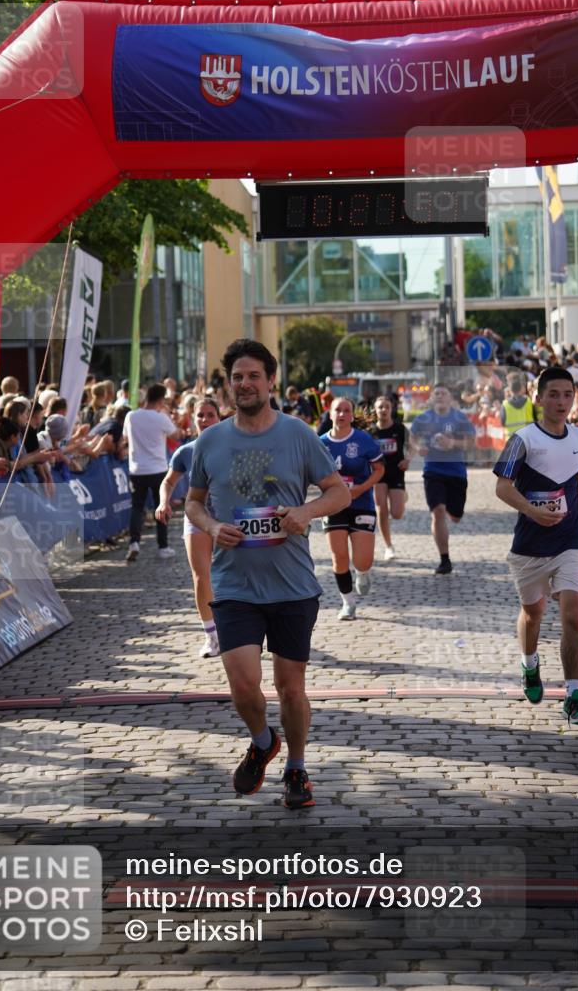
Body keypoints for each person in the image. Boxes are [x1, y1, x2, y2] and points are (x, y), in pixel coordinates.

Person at [185, 339, 349, 810]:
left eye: (254, 375)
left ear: (270, 381)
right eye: (237, 376)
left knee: (290, 688)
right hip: (235, 583)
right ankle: (262, 741)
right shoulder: (210, 441)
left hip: (292, 585)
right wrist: (213, 525)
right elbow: (194, 502)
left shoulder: (298, 434)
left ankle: (296, 768)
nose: (245, 384)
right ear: (229, 383)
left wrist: (307, 512)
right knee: (241, 681)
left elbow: (339, 493)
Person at [494, 366, 578, 727]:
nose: (561, 401)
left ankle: (574, 696)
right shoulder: (523, 440)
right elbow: (503, 487)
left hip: (570, 539)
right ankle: (529, 663)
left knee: (573, 613)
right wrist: (532, 511)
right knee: (533, 613)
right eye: (553, 394)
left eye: (567, 395)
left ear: (575, 398)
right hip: (530, 545)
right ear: (538, 398)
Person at [156, 397, 222, 657]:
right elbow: (168, 482)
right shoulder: (185, 451)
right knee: (201, 576)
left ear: (220, 418)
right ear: (193, 420)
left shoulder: (233, 447)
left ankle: (240, 630)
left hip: (228, 517)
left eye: (210, 415)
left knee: (234, 576)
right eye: (200, 416)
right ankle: (212, 637)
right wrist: (163, 502)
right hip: (196, 517)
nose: (205, 420)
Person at [320, 398, 384, 619]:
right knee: (339, 557)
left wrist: (360, 489)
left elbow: (379, 469)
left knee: (362, 559)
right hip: (333, 504)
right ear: (330, 414)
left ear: (351, 415)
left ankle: (363, 573)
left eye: (346, 410)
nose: (342, 414)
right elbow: (311, 473)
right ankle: (348, 603)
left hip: (361, 503)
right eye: (338, 410)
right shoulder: (320, 443)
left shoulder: (362, 439)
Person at [410, 384, 476, 574]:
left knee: (455, 516)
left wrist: (452, 443)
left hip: (456, 472)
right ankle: (444, 559)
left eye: (443, 393)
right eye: (436, 393)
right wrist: (417, 448)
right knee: (438, 511)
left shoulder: (460, 418)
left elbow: (471, 443)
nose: (440, 396)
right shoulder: (423, 419)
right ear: (431, 398)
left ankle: (452, 512)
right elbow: (412, 438)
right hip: (433, 471)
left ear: (450, 398)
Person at [123, 382, 179, 563]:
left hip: (137, 469)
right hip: (157, 469)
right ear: (161, 400)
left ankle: (134, 543)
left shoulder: (131, 416)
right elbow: (176, 435)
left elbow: (125, 438)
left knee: (137, 507)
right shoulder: (161, 417)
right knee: (161, 506)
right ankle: (163, 546)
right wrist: (168, 416)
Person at [372, 395, 410, 561]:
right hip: (378, 473)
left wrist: (408, 459)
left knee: (397, 514)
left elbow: (413, 446)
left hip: (396, 472)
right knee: (381, 509)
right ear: (375, 410)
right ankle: (388, 546)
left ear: (391, 409)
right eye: (380, 407)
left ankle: (402, 496)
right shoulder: (370, 431)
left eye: (386, 407)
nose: (384, 410)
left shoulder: (400, 429)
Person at [500, 372, 535, 436]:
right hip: (528, 438)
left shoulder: (505, 404)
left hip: (511, 440)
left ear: (510, 390)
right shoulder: (529, 401)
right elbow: (535, 418)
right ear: (521, 388)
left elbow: (502, 423)